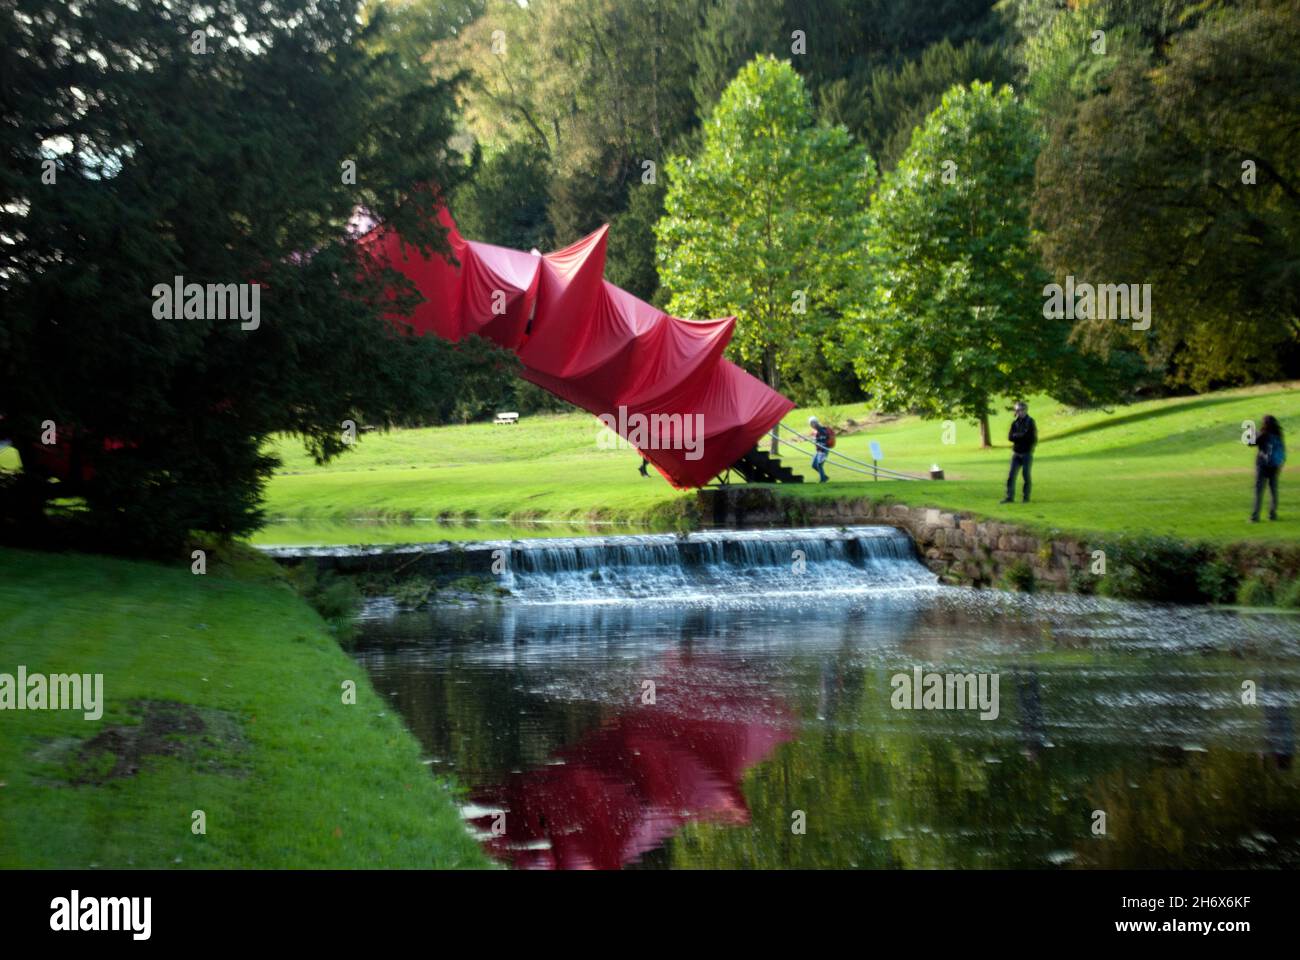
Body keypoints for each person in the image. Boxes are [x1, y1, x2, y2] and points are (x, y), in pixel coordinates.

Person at [1250, 415, 1285, 522]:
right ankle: (1272, 514)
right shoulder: (1279, 435)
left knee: (1259, 492)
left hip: (1262, 466)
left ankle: (1255, 517)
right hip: (1275, 466)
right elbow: (1282, 450)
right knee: (1273, 491)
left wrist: (1252, 433)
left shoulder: (1264, 435)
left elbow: (1251, 443)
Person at [1000, 401, 1037, 504]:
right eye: (1017, 410)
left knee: (1026, 475)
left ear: (1025, 410)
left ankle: (1026, 498)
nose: (1018, 412)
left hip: (1026, 453)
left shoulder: (1030, 422)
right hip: (1016, 453)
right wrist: (1020, 436)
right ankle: (1009, 497)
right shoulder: (1014, 423)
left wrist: (1018, 436)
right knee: (1011, 476)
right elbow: (1010, 437)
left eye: (1020, 410)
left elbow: (1031, 438)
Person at [808, 416, 830, 483]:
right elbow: (816, 439)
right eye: (810, 424)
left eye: (812, 423)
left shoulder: (821, 430)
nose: (811, 425)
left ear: (815, 422)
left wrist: (817, 441)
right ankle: (824, 477)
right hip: (818, 450)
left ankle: (823, 480)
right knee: (813, 465)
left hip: (823, 450)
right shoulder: (816, 430)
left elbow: (824, 439)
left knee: (819, 465)